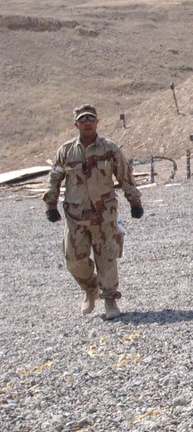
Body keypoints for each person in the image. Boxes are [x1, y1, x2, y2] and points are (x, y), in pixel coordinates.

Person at [43, 104, 144, 320]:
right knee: (74, 260)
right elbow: (54, 179)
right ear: (76, 124)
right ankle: (90, 288)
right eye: (82, 119)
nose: (87, 122)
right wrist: (50, 205)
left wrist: (134, 201)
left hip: (104, 215)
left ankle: (110, 300)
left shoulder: (109, 149)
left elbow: (124, 175)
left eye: (91, 118)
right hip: (76, 216)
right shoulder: (66, 151)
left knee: (107, 256)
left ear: (97, 122)